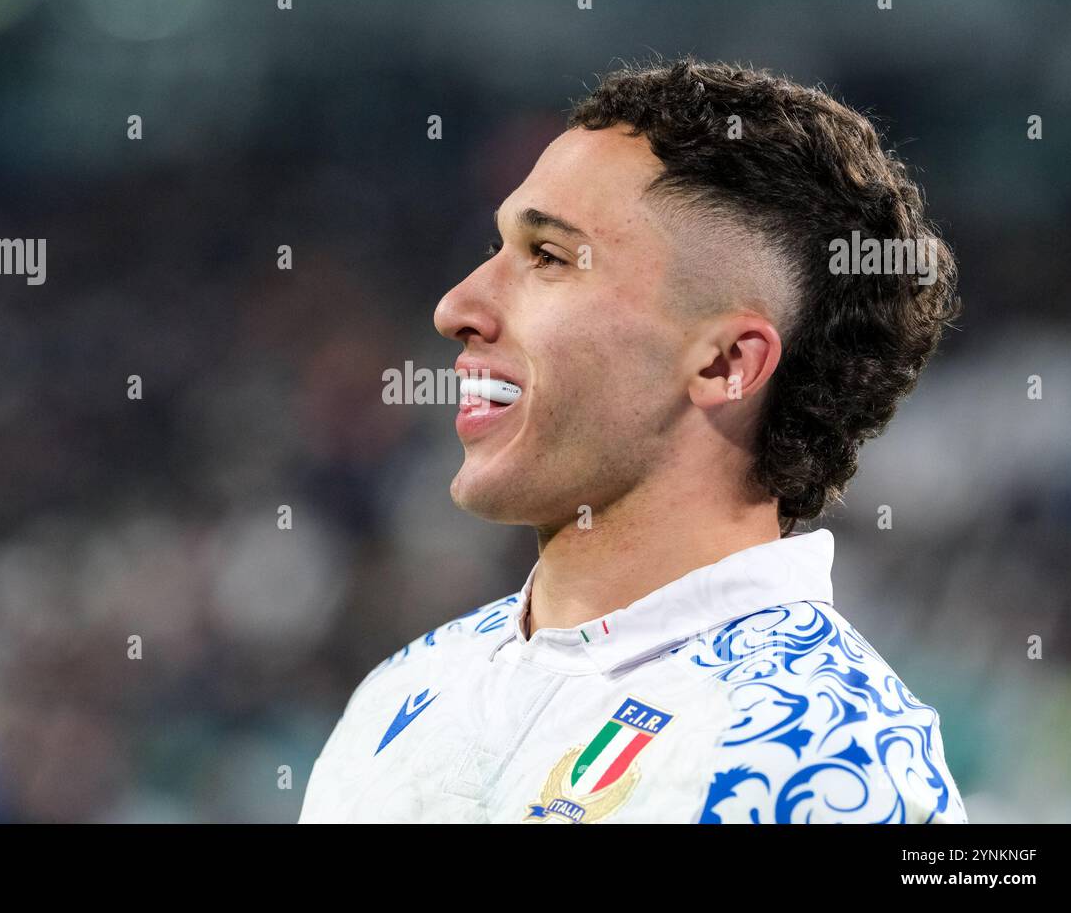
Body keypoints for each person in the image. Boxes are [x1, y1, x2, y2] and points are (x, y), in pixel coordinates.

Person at [299, 58, 966, 823]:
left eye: (547, 257)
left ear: (724, 364)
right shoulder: (405, 692)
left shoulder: (823, 764)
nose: (457, 306)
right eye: (497, 249)